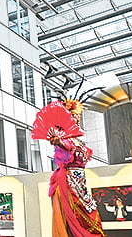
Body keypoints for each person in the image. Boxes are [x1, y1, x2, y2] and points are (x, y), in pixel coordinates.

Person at [47, 98, 104, 237]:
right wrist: (58, 142)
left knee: (88, 211)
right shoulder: (65, 140)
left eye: (77, 118)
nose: (76, 121)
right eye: (72, 118)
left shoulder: (78, 142)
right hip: (68, 181)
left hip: (81, 184)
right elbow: (64, 146)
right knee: (74, 214)